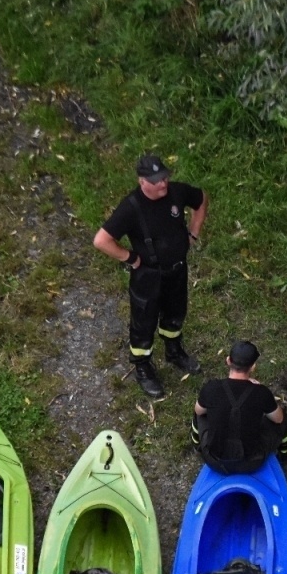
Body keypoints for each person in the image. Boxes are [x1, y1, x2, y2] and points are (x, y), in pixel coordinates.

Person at [93, 153, 209, 398]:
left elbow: (201, 200)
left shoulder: (177, 193)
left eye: (164, 177)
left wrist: (193, 233)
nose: (163, 184)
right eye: (156, 181)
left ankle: (174, 350)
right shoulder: (131, 207)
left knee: (175, 312)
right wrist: (130, 258)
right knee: (144, 322)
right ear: (142, 181)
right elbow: (102, 240)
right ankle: (143, 366)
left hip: (177, 269)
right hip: (148, 276)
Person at [190, 340, 287, 474]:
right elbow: (278, 419)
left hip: (214, 461)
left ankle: (197, 445)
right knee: (283, 418)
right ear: (252, 367)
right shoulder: (261, 393)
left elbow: (198, 411)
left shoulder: (211, 388)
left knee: (199, 412)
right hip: (251, 463)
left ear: (228, 361)